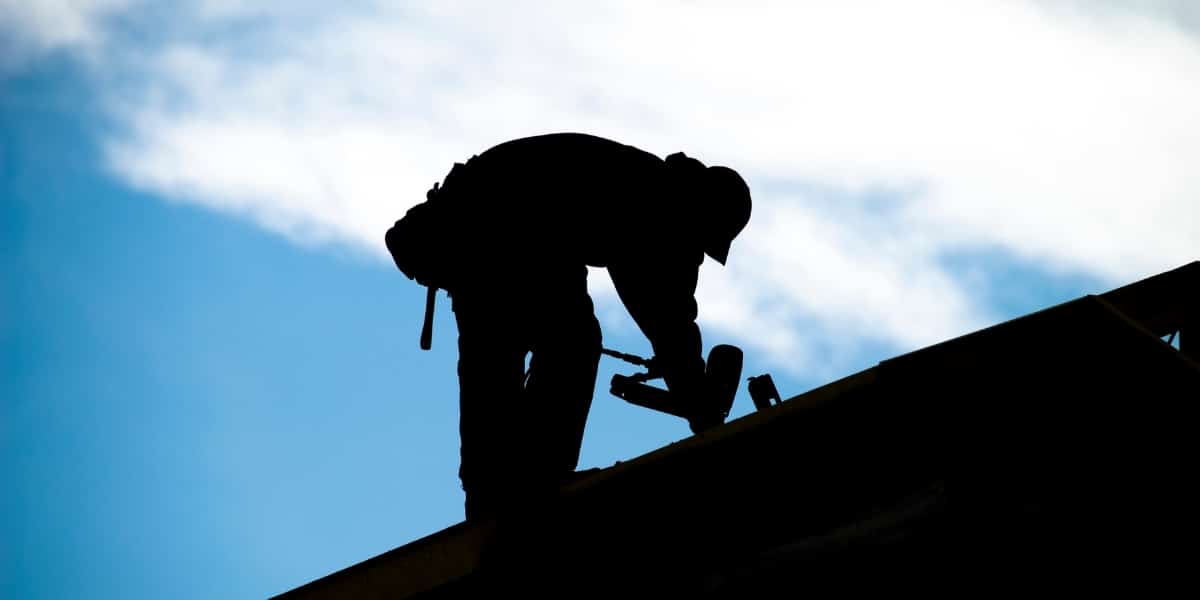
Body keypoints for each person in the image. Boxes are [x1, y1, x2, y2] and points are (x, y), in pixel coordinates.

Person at [385, 133, 751, 519]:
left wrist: (687, 382)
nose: (696, 253)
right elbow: (664, 312)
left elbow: (661, 309)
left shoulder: (649, 186)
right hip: (500, 228)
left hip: (483, 229)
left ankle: (494, 490)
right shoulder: (655, 202)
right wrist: (698, 400)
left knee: (503, 355)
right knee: (566, 341)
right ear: (702, 213)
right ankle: (526, 479)